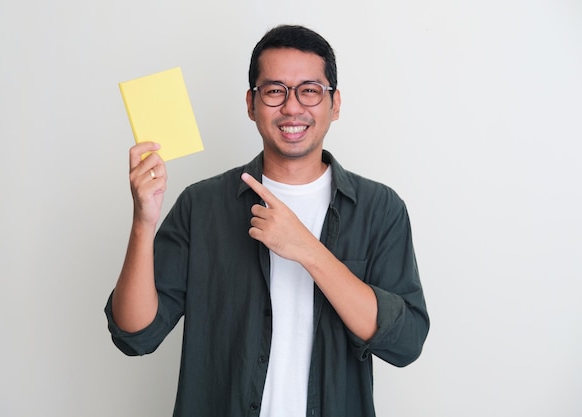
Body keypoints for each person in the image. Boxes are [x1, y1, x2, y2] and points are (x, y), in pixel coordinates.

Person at [105, 24, 429, 417]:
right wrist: (143, 221)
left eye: (310, 90)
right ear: (251, 103)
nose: (292, 107)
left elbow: (405, 343)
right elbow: (134, 334)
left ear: (335, 103)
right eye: (275, 91)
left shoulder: (380, 209)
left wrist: (306, 248)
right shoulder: (202, 204)